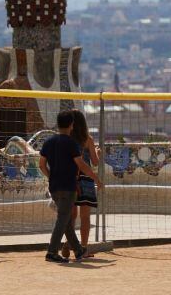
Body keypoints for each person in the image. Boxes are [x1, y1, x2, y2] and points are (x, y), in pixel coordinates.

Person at [39, 110, 102, 263]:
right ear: (71, 125)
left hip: (54, 186)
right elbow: (82, 164)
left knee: (67, 219)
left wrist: (50, 176)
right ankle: (52, 251)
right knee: (64, 219)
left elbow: (41, 165)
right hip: (69, 185)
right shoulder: (72, 143)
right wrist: (96, 180)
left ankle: (79, 250)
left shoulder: (49, 141)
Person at [60, 109, 101, 260]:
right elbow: (95, 162)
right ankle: (83, 248)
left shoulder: (66, 139)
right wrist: (98, 152)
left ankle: (68, 242)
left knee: (71, 215)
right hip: (86, 179)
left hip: (70, 178)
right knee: (85, 216)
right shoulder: (87, 139)